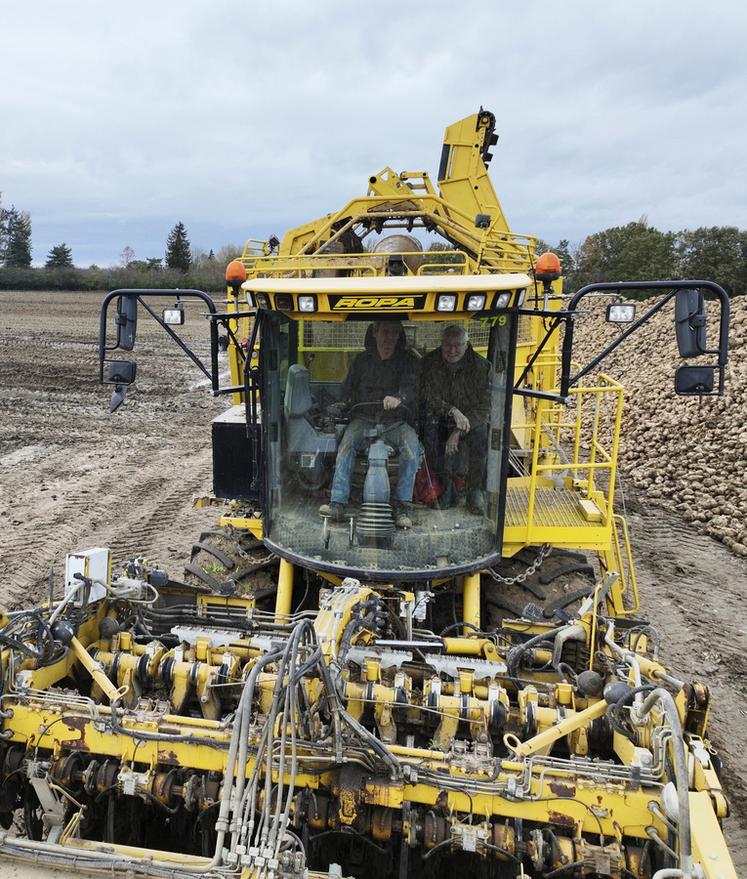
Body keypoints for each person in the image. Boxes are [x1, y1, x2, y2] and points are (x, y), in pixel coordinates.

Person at [319, 321, 421, 528]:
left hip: (395, 423)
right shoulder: (360, 361)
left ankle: (402, 506)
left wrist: (399, 397)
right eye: (385, 332)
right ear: (374, 333)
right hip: (363, 421)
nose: (388, 338)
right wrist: (343, 402)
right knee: (346, 445)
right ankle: (337, 503)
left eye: (393, 333)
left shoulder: (408, 361)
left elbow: (413, 388)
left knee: (412, 447)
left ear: (399, 336)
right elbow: (348, 390)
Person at [420, 325, 490, 514]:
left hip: (469, 422)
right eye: (447, 345)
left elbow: (484, 408)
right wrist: (451, 411)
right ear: (441, 344)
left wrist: (459, 430)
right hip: (439, 417)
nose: (452, 350)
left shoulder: (481, 367)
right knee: (430, 432)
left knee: (482, 435)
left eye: (457, 345)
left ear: (466, 345)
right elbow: (426, 397)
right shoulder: (429, 363)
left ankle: (475, 491)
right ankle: (445, 486)